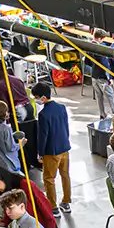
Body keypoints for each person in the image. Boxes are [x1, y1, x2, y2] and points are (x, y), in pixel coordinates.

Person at [33, 82, 72, 211]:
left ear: (43, 98)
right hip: (64, 147)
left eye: (36, 97)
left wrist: (40, 153)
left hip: (51, 151)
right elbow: (66, 127)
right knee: (65, 175)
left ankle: (53, 206)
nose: (36, 100)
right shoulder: (62, 108)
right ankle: (66, 202)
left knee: (49, 178)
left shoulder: (43, 115)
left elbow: (42, 136)